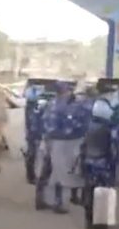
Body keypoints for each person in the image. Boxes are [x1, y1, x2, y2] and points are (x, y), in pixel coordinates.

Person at [37, 81, 89, 214]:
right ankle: (57, 202)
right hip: (64, 143)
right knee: (61, 173)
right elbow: (79, 124)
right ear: (66, 91)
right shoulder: (69, 107)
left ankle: (41, 199)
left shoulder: (51, 104)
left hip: (49, 141)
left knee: (47, 171)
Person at [80, 99, 119, 229]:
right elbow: (114, 150)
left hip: (88, 162)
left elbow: (83, 145)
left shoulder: (88, 125)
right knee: (102, 194)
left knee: (89, 191)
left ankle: (88, 220)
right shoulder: (110, 129)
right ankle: (100, 222)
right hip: (103, 165)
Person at [23, 85, 43, 184]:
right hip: (33, 135)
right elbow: (34, 122)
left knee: (32, 155)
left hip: (31, 134)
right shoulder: (33, 107)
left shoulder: (30, 106)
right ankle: (30, 176)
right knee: (32, 155)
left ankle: (30, 175)